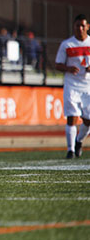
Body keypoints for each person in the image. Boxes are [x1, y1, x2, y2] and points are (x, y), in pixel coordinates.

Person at [54, 14, 90, 159]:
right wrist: (68, 68)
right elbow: (58, 64)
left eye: (83, 25)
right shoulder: (67, 44)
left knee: (88, 120)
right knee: (72, 117)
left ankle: (78, 141)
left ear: (87, 27)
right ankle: (70, 150)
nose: (80, 28)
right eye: (77, 26)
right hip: (72, 84)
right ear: (73, 27)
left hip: (87, 85)